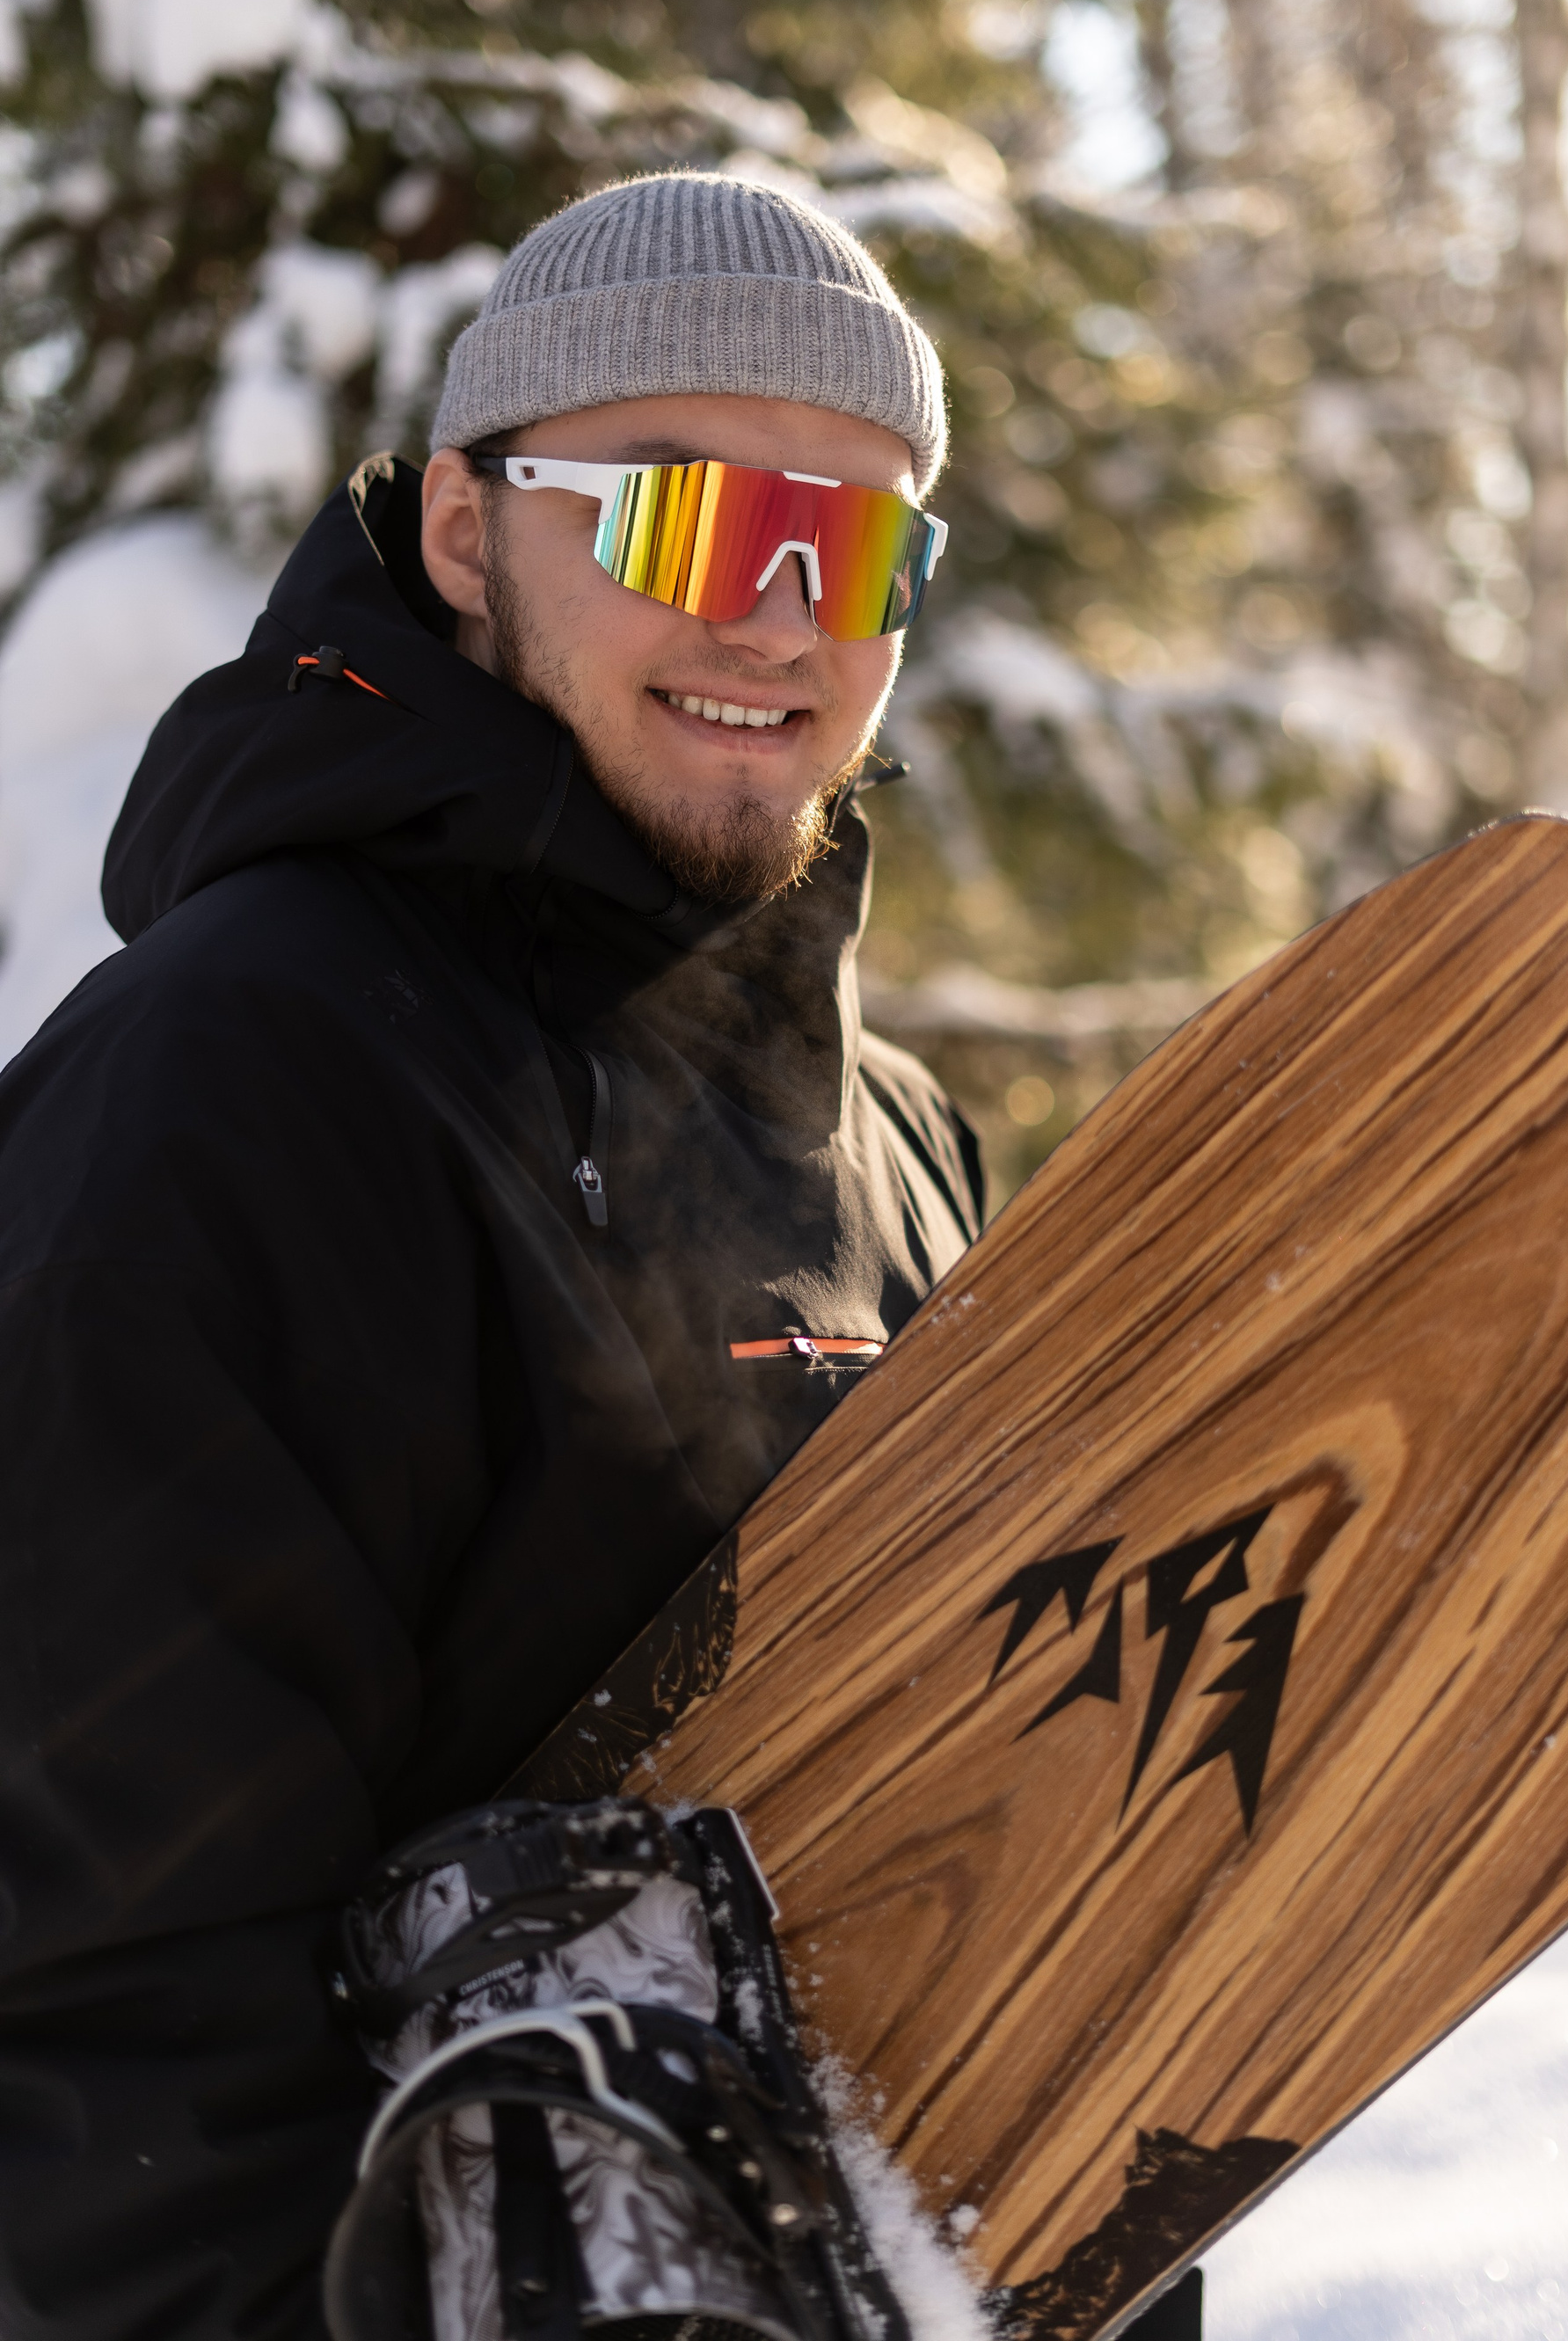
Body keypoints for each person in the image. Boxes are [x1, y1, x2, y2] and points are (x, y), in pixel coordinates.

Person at [0, 173, 986, 2337]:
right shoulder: (232, 1085)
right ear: (466, 534)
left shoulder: (900, 1142)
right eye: (688, 522)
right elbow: (94, 2022)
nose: (782, 623)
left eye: (858, 552)